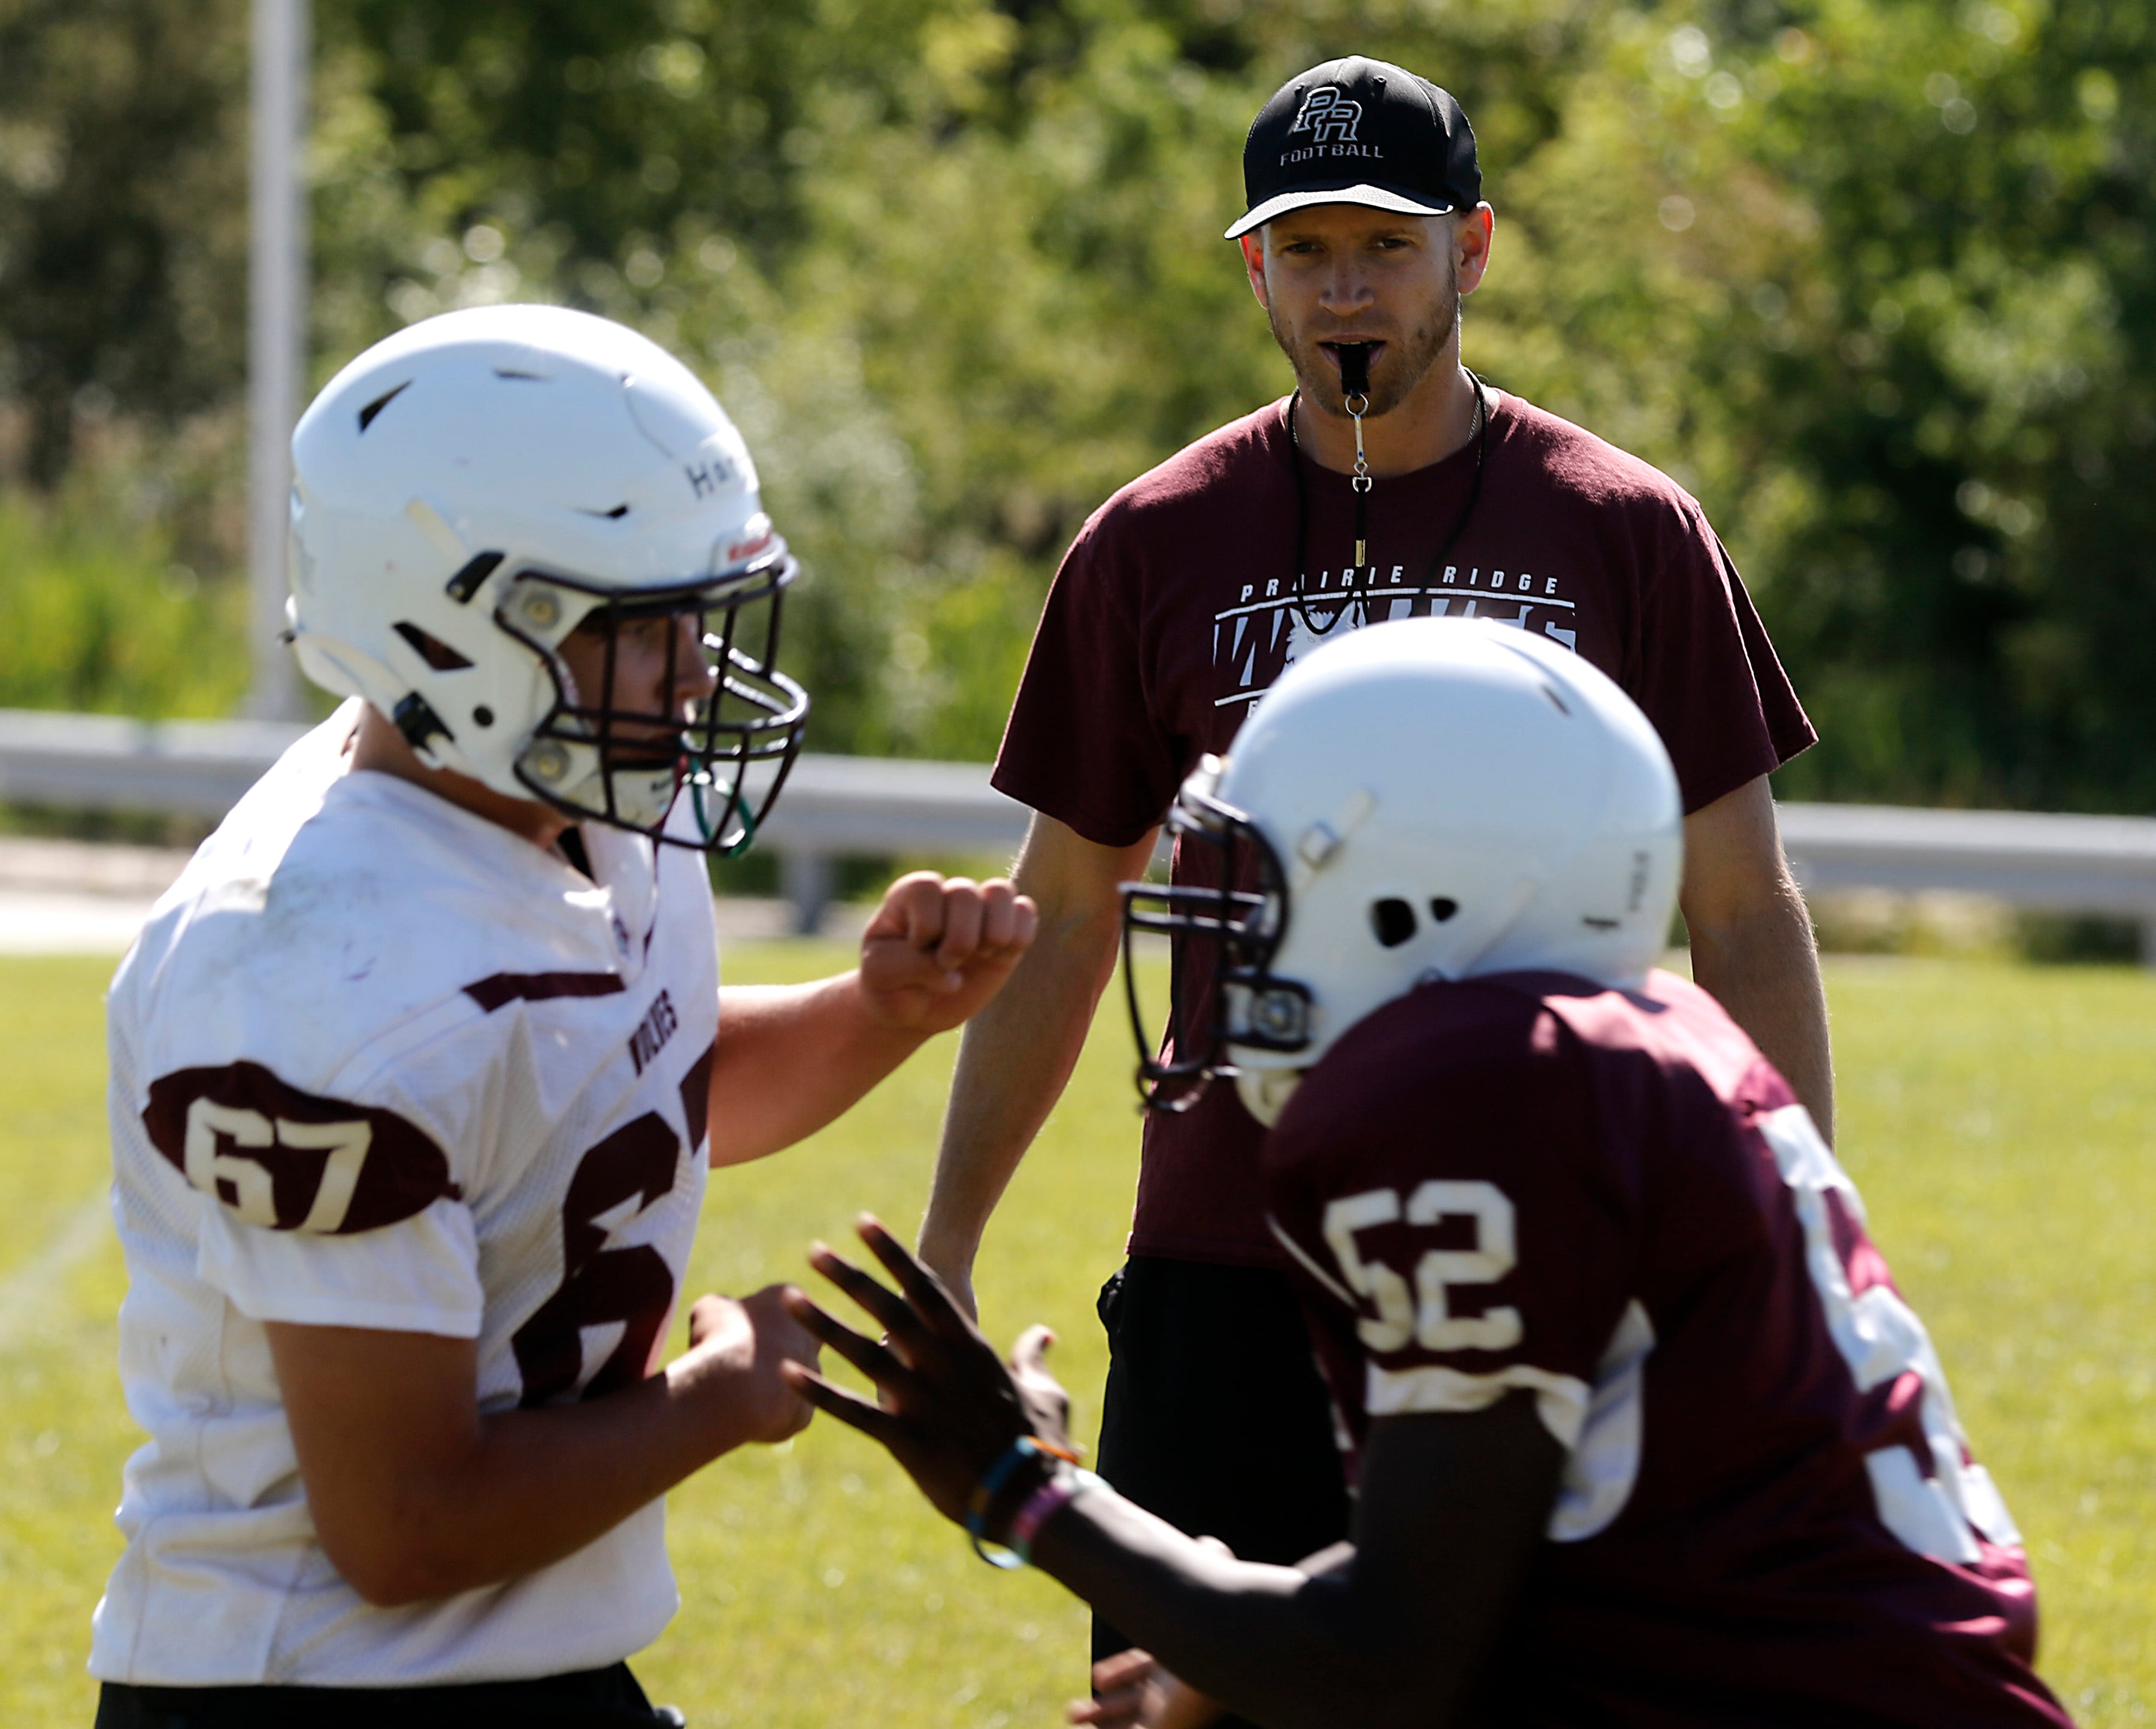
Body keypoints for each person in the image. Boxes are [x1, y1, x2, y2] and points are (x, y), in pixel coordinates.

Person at [918, 53, 1831, 1692]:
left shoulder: (1625, 527)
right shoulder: (1151, 541)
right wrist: (951, 1248)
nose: (1348, 288)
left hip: (1544, 1259)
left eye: (1387, 247)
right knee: (1172, 1704)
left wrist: (1796, 1247)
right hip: (1225, 1275)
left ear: (1472, 253)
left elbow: (1744, 911)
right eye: (1309, 249)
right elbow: (1065, 922)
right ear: (1256, 267)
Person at [794, 617, 2070, 1729]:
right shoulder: (1645, 1044)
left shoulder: (1477, 1088)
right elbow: (1520, 1544)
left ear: (1422, 898)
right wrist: (1243, 1645)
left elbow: (1384, 1669)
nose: (1235, 933)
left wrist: (1021, 1486)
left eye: (1272, 879)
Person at [88, 305, 1036, 1727]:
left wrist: (876, 1011)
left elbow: (628, 1094)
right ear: (468, 631)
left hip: (524, 1658)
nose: (701, 676)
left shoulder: (570, 791)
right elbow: (400, 1526)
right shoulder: (305, 983)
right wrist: (715, 1397)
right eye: (648, 631)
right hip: (311, 1679)